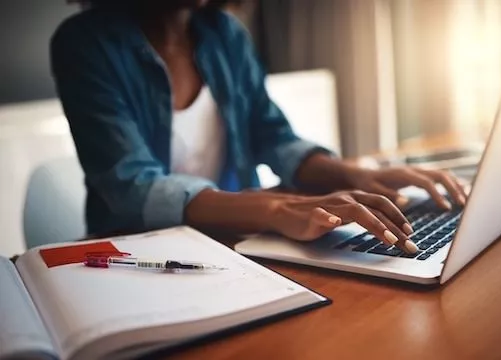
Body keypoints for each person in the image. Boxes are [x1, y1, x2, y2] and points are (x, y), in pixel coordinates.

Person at [51, 0, 466, 254]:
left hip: (237, 239)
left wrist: (358, 175)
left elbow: (272, 135)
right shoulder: (84, 44)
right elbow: (132, 187)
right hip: (138, 252)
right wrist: (274, 208)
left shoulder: (224, 33)